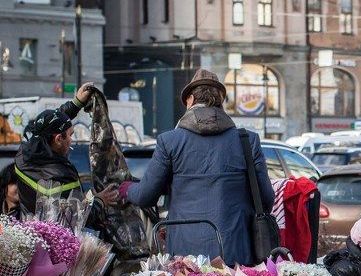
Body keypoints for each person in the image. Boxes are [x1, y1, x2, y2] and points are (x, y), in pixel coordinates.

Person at [120, 69, 274, 266]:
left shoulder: (169, 141)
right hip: (236, 253)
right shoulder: (247, 140)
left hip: (185, 256)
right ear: (221, 102)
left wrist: (126, 189)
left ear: (190, 100)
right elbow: (266, 198)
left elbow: (145, 195)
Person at [14, 82, 119, 215]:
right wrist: (100, 200)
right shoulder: (62, 175)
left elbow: (47, 123)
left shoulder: (22, 156)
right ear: (58, 139)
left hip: (27, 226)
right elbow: (78, 217)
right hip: (57, 229)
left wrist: (76, 103)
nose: (71, 140)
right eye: (70, 135)